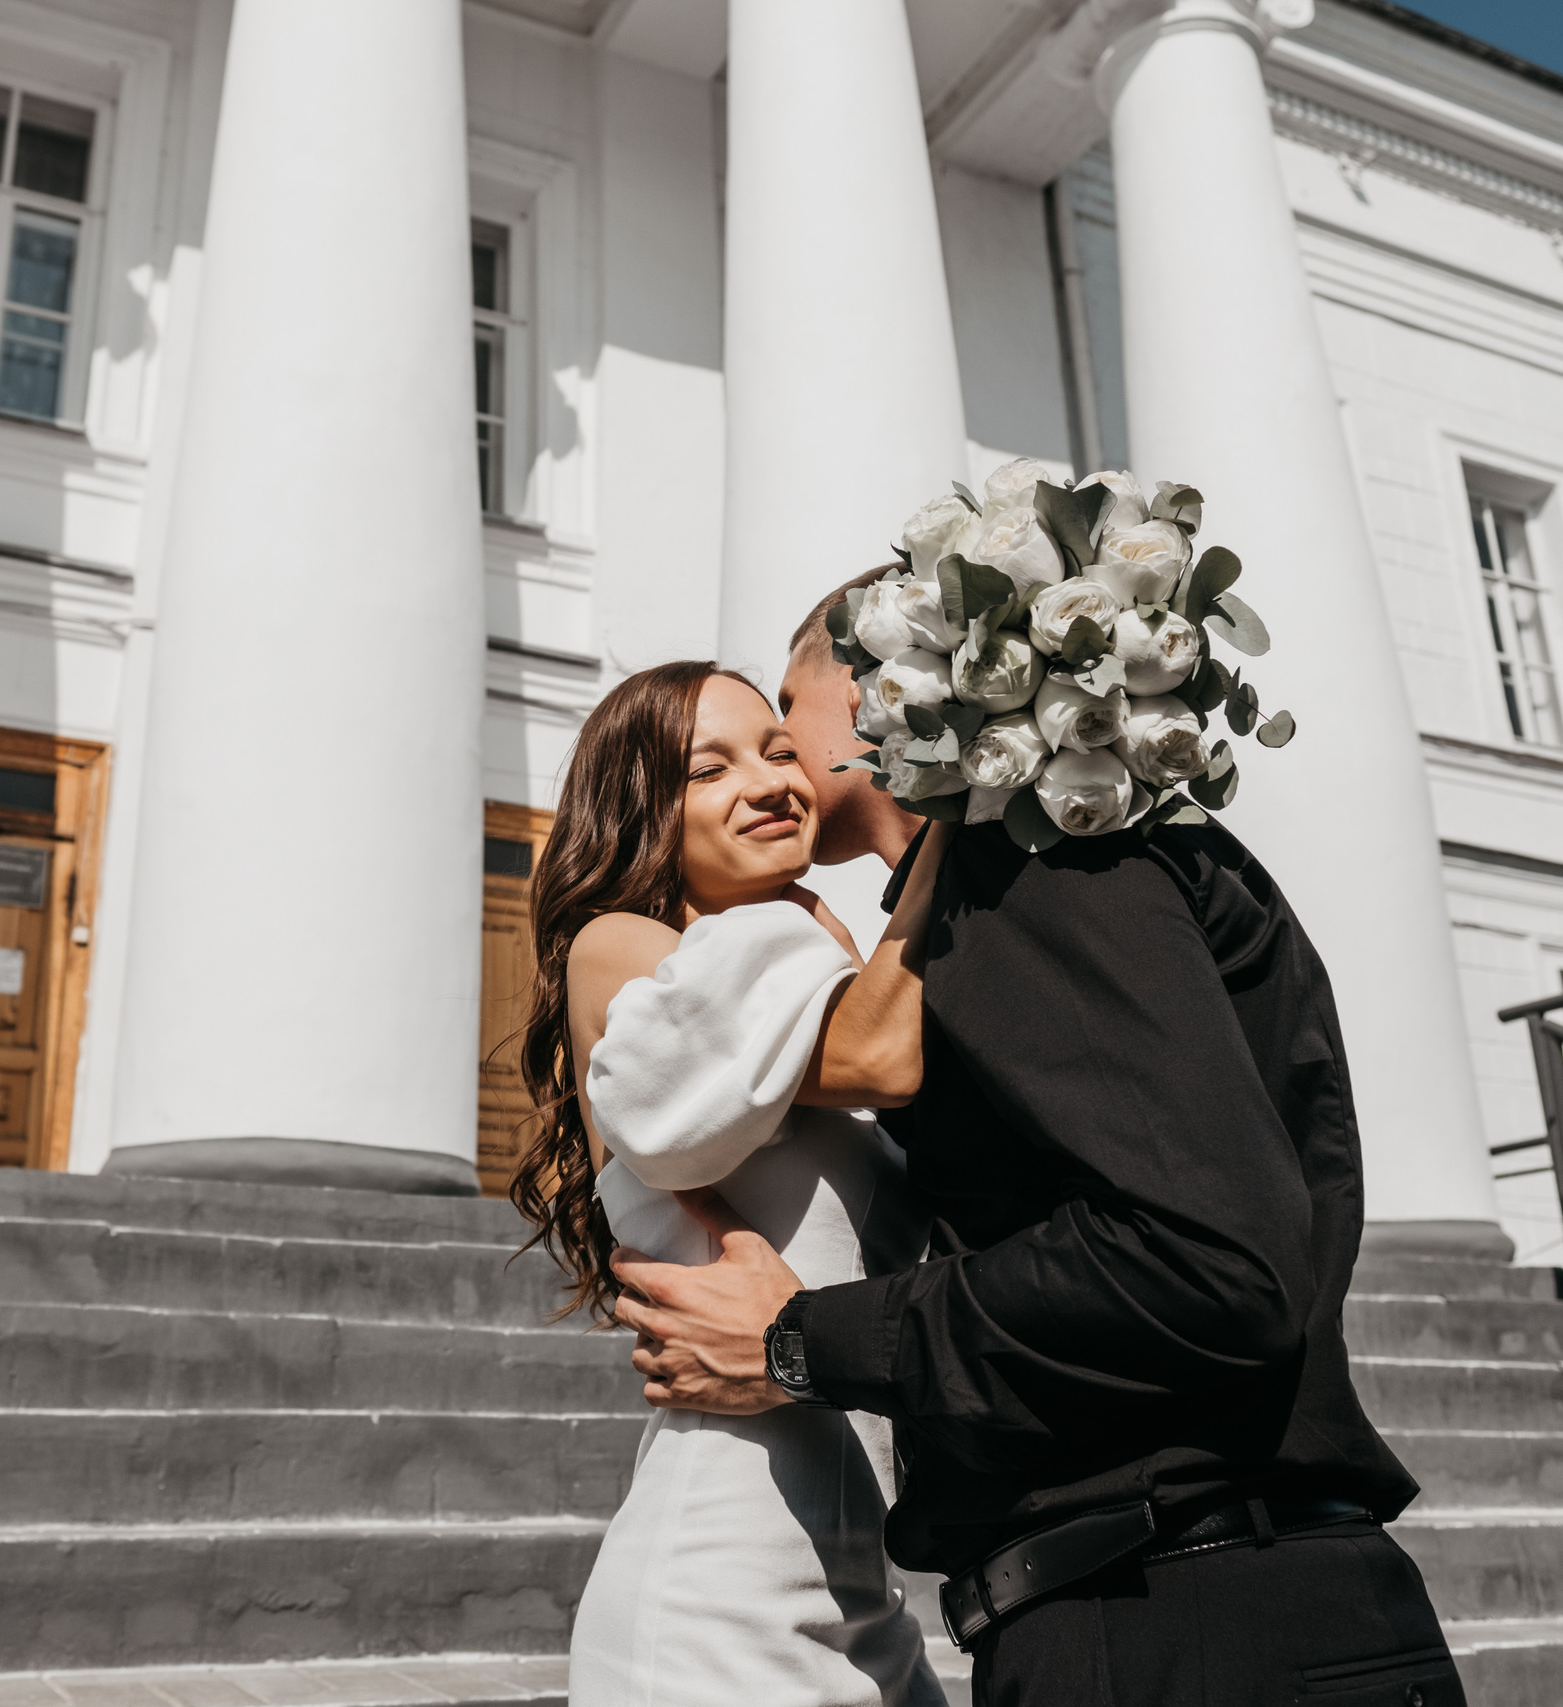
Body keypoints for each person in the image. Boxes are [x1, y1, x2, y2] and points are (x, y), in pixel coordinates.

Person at [604, 572, 1467, 1707]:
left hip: (1174, 1620)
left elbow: (1202, 1264)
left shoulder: (1031, 867)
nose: (773, 765)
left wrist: (803, 1341)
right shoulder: (1057, 867)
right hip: (1203, 1601)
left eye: (781, 716)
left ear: (880, 694)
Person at [513, 659, 954, 1706]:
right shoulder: (619, 946)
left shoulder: (803, 963)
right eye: (708, 768)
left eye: (778, 750)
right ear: (640, 812)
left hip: (856, 1578)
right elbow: (885, 1057)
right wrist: (963, 820)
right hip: (718, 1587)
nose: (769, 782)